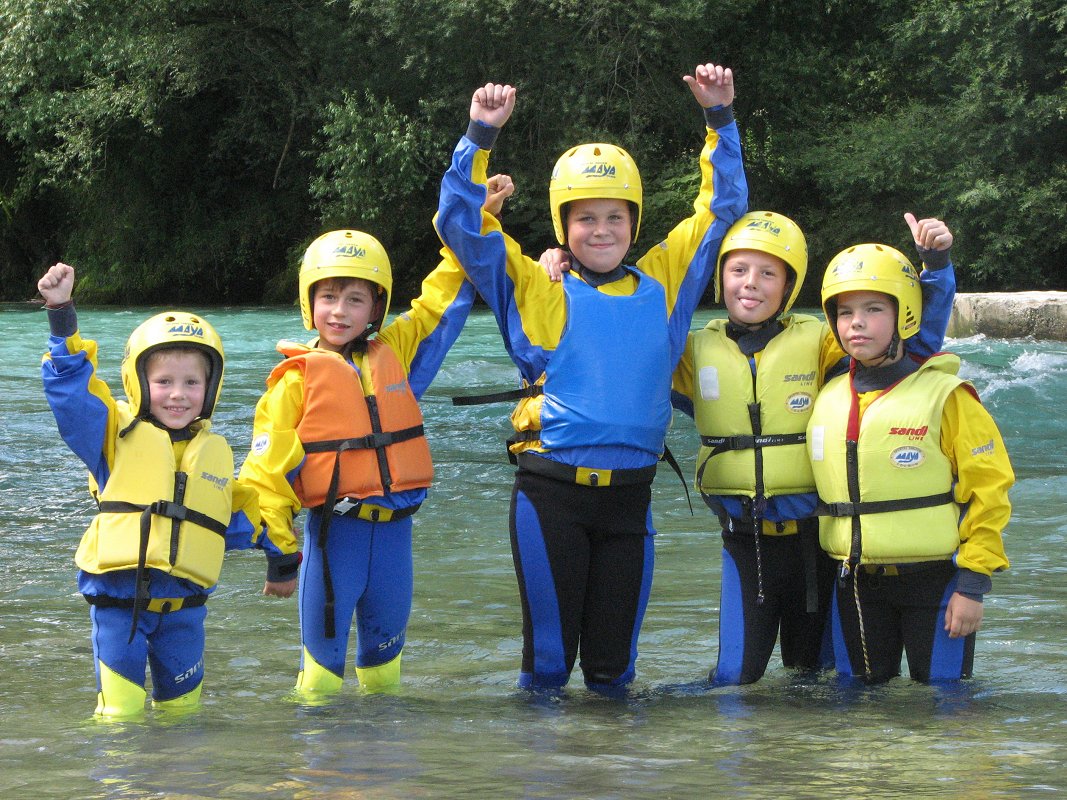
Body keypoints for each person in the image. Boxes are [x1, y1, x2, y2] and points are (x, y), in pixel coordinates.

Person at [434, 64, 747, 691]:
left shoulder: (664, 284)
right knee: (549, 665)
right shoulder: (532, 284)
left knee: (613, 671)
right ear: (561, 225)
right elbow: (459, 225)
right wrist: (479, 135)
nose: (601, 230)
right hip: (551, 497)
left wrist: (719, 119)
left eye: (615, 217)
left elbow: (722, 208)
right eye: (585, 219)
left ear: (633, 222)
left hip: (630, 500)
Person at [238, 176, 514, 696]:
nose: (339, 311)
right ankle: (316, 766)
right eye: (328, 297)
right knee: (320, 677)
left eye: (355, 299)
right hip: (332, 539)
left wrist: (481, 221)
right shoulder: (294, 382)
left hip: (394, 537)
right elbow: (263, 475)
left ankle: (383, 764)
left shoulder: (399, 351)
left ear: (376, 308)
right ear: (309, 302)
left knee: (385, 669)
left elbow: (444, 296)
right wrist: (280, 554)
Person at [666, 212, 957, 685]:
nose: (751, 284)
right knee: (733, 680)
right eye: (738, 270)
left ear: (788, 286)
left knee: (819, 681)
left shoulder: (821, 343)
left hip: (816, 547)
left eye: (768, 274)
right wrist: (565, 265)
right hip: (745, 544)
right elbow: (627, 351)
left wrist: (937, 270)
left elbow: (910, 347)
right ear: (719, 279)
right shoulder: (692, 350)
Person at [38, 263, 296, 718]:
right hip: (122, 611)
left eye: (192, 382)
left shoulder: (213, 457)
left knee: (184, 719)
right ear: (139, 383)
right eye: (164, 382)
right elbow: (71, 394)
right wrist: (61, 315)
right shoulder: (110, 438)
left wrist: (281, 565)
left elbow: (248, 521)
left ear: (210, 387)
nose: (178, 395)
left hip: (186, 615)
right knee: (120, 720)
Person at [808, 242, 1013, 683]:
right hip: (856, 582)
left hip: (937, 582)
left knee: (947, 703)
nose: (857, 322)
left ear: (905, 315)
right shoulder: (828, 397)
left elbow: (990, 493)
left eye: (874, 308)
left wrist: (973, 585)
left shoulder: (948, 398)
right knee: (858, 706)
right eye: (844, 312)